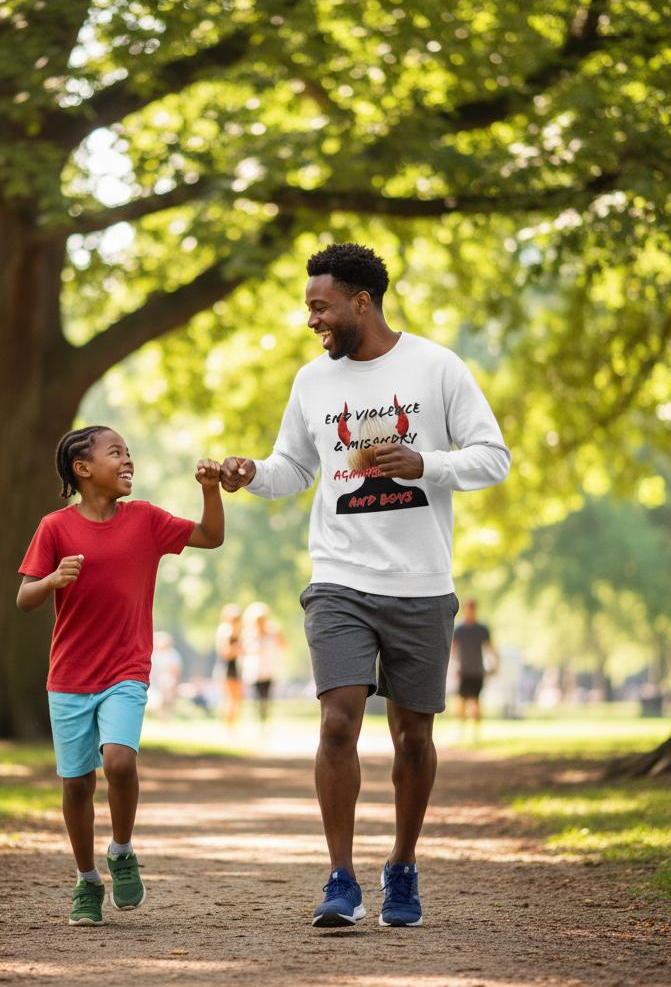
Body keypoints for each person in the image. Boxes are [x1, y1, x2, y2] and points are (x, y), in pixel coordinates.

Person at [219, 242, 510, 929]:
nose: (312, 320)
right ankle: (341, 878)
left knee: (413, 737)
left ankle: (402, 867)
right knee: (337, 721)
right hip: (339, 578)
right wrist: (251, 473)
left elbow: (493, 458)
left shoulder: (437, 367)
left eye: (321, 307)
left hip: (421, 582)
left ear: (362, 302)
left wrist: (424, 464)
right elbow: (294, 469)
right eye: (308, 308)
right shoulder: (311, 382)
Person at [16, 425, 224, 926]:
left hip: (126, 670)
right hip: (69, 676)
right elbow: (24, 598)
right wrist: (52, 579)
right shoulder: (54, 527)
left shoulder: (145, 520)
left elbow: (211, 536)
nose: (128, 460)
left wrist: (210, 490)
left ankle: (122, 850)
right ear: (83, 469)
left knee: (120, 761)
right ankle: (87, 880)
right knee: (76, 785)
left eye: (129, 452)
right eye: (116, 453)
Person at [451, 600, 498, 738]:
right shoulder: (459, 629)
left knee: (475, 702)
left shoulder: (482, 629)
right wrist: (454, 667)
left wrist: (495, 665)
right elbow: (453, 650)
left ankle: (476, 734)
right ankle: (461, 732)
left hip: (477, 671)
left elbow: (491, 648)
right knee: (461, 703)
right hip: (463, 671)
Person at [240, 602, 287, 722]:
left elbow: (284, 645)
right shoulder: (248, 634)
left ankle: (265, 720)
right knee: (256, 698)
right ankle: (258, 719)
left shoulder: (273, 633)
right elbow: (242, 651)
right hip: (254, 672)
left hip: (269, 670)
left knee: (266, 698)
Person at [215, 603, 244, 729]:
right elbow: (225, 653)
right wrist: (238, 649)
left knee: (237, 699)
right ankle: (228, 726)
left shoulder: (240, 631)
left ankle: (233, 725)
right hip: (227, 668)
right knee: (229, 698)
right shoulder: (225, 631)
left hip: (237, 668)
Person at [149, 631, 183, 716]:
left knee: (167, 680)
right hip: (154, 680)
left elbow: (176, 670)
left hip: (167, 681)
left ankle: (166, 711)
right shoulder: (154, 654)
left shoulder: (173, 654)